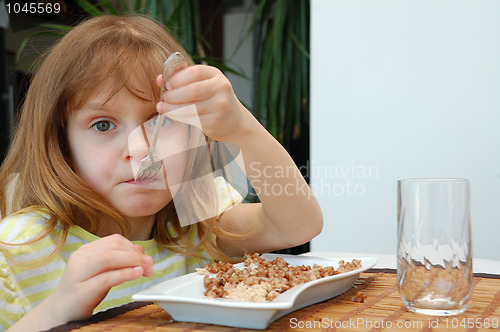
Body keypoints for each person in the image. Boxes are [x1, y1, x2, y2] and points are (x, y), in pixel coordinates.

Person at [0, 15, 322, 332]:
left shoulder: (198, 224)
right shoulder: (17, 250)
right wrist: (56, 310)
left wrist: (241, 127)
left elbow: (298, 225)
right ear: (62, 142)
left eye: (160, 120)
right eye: (103, 125)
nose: (140, 149)